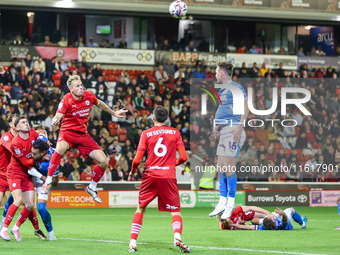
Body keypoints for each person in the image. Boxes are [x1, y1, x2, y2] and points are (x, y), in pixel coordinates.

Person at [41, 75, 127, 203]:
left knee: (104, 161)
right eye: (77, 86)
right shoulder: (66, 99)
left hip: (82, 135)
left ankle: (92, 187)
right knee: (60, 149)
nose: (81, 87)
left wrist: (113, 113)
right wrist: (55, 120)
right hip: (67, 132)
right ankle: (47, 182)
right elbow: (58, 115)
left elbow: (100, 104)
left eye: (81, 85)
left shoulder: (88, 95)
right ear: (71, 89)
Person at [127, 105, 190, 253]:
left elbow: (136, 160)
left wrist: (132, 172)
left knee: (141, 208)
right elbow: (184, 157)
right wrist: (173, 164)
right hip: (168, 177)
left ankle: (132, 243)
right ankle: (177, 238)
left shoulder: (146, 133)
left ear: (153, 118)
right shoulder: (175, 132)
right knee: (175, 212)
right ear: (166, 118)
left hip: (151, 176)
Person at [209, 61, 248, 220]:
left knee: (229, 167)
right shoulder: (223, 89)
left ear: (222, 73)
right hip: (225, 130)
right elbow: (224, 110)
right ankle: (222, 200)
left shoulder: (236, 87)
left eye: (217, 71)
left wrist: (240, 126)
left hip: (233, 129)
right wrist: (216, 126)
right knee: (221, 167)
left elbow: (245, 107)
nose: (215, 73)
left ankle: (230, 202)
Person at [0, 117, 50, 241]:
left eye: (27, 121)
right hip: (14, 173)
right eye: (23, 122)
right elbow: (25, 162)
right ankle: (4, 229)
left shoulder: (32, 133)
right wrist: (42, 158)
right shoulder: (15, 143)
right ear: (17, 127)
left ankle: (15, 228)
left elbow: (42, 133)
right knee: (17, 200)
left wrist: (46, 144)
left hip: (26, 174)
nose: (26, 123)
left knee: (29, 204)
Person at [29, 131, 59, 241]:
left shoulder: (54, 157)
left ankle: (50, 233)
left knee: (41, 208)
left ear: (43, 152)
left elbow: (55, 183)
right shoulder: (33, 145)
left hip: (44, 181)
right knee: (15, 198)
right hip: (29, 177)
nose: (33, 152)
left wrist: (38, 175)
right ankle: (4, 225)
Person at [229, 207, 307, 230]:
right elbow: (285, 219)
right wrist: (282, 213)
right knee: (292, 210)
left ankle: (253, 221)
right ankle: (302, 223)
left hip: (271, 222)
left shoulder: (264, 226)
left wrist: (234, 225)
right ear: (273, 219)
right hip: (284, 219)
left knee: (253, 220)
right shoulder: (281, 224)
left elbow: (248, 227)